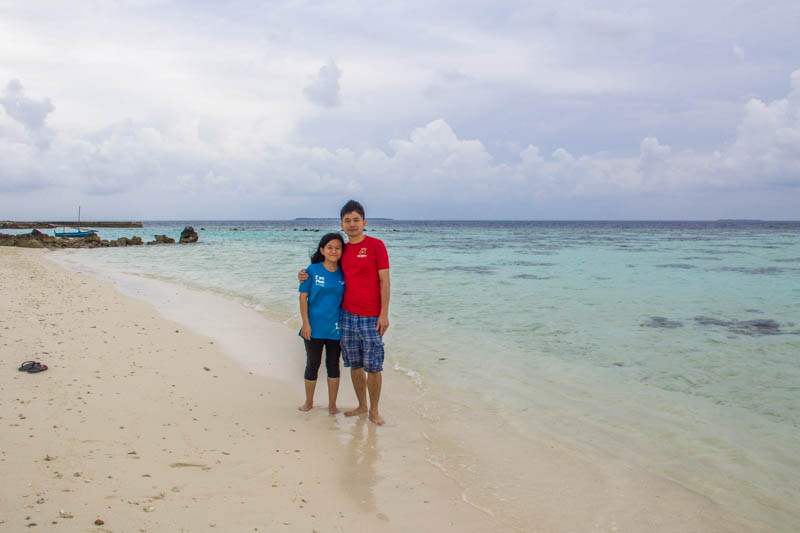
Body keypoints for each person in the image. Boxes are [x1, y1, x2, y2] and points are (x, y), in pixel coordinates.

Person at [299, 200, 390, 425]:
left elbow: (385, 282)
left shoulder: (377, 246)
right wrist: (304, 274)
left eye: (356, 220)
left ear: (364, 222)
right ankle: (361, 406)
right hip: (346, 317)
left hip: (371, 316)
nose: (352, 224)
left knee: (374, 366)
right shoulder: (342, 250)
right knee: (355, 365)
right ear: (341, 224)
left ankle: (374, 410)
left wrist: (384, 314)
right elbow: (324, 269)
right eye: (347, 221)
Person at [298, 232, 346, 414]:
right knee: (313, 364)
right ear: (322, 250)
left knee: (333, 365)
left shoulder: (345, 271)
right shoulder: (312, 270)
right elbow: (303, 298)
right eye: (330, 247)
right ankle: (309, 402)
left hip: (336, 328)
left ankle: (332, 405)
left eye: (338, 248)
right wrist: (305, 323)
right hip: (313, 327)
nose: (334, 251)